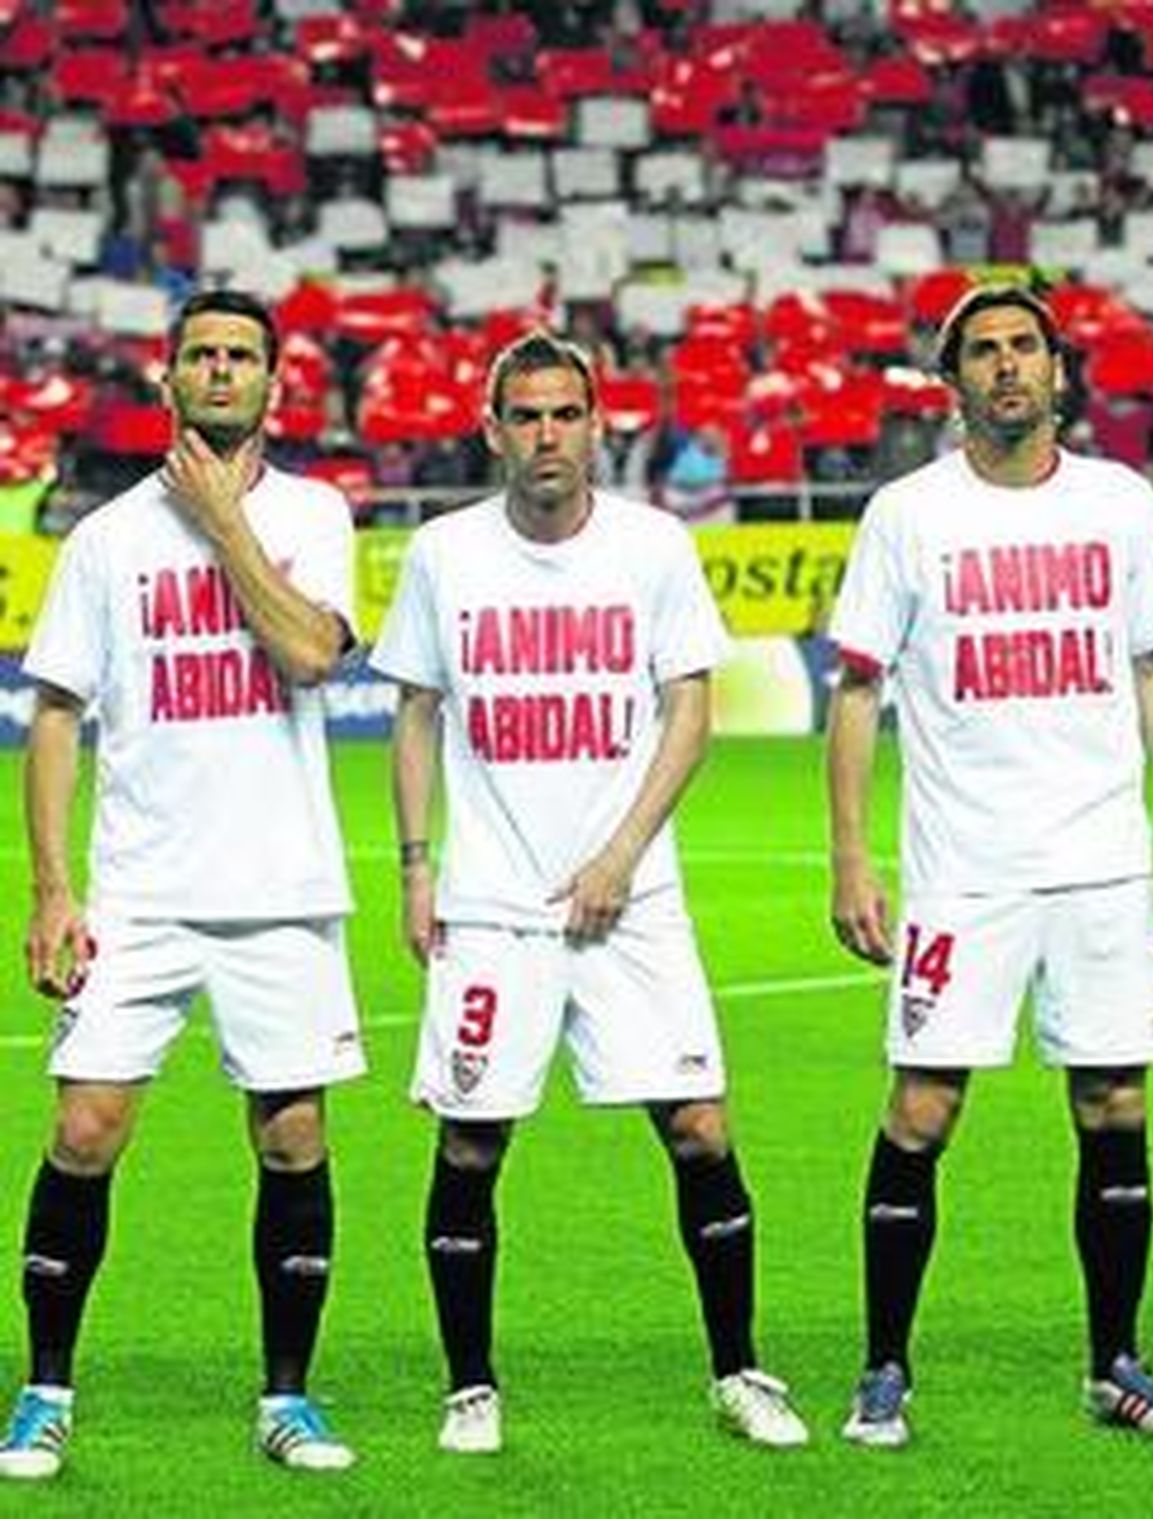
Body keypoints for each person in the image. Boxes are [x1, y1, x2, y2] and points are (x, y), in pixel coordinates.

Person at [368, 331, 808, 1455]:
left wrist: (619, 853)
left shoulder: (653, 548)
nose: (547, 434)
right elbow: (414, 712)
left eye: (566, 414)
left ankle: (740, 1368)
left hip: (633, 900)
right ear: (493, 429)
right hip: (491, 903)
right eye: (526, 416)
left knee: (701, 1127)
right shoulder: (444, 554)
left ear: (597, 424)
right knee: (471, 1144)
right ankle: (470, 1384)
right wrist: (416, 866)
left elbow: (690, 709)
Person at [827, 283, 1153, 1446]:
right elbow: (858, 690)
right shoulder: (907, 513)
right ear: (952, 382)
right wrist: (850, 856)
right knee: (922, 1105)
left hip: (1099, 858)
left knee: (1115, 1101)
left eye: (1023, 348)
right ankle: (883, 1366)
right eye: (983, 352)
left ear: (1058, 370)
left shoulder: (1118, 502)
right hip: (966, 869)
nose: (1006, 368)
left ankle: (1116, 1362)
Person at [0, 289, 366, 1480]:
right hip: (141, 893)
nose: (219, 370)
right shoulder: (105, 538)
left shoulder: (315, 514)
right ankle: (45, 1389)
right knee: (85, 1127)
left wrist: (223, 527)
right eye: (199, 354)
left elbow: (312, 652)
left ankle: (288, 1398)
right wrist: (54, 890)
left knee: (294, 1139)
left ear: (273, 384)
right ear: (169, 381)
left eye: (240, 355)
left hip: (283, 890)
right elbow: (55, 714)